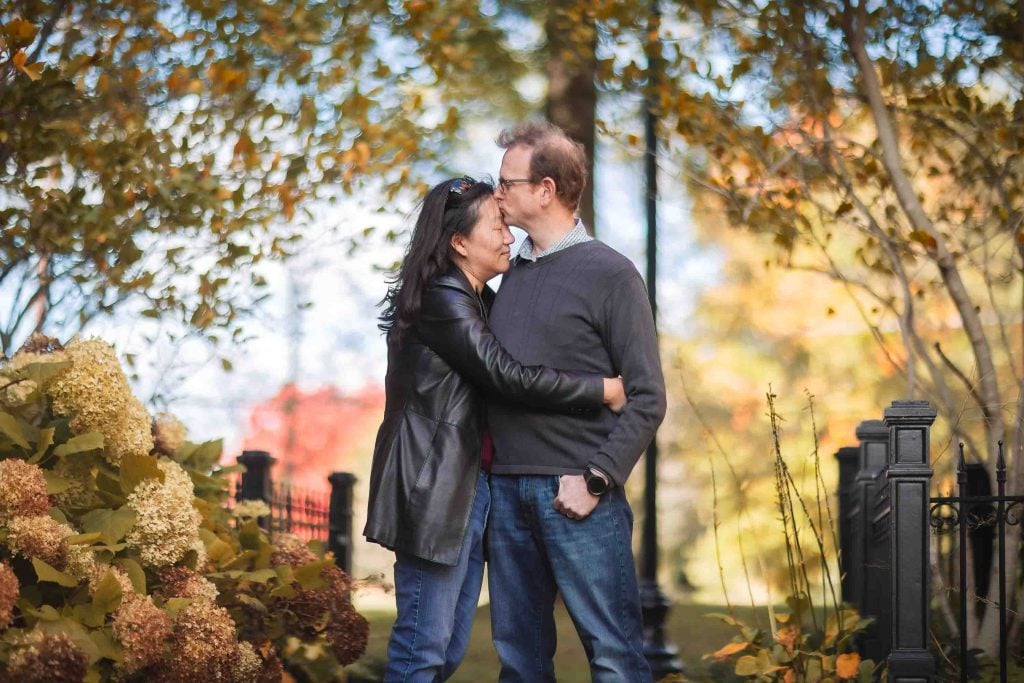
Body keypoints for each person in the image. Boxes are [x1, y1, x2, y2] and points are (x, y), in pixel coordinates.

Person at [364, 176, 627, 682]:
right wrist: (601, 390)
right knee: (423, 650)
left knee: (445, 649)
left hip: (467, 489)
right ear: (459, 242)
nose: (510, 237)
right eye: (497, 227)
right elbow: (506, 375)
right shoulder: (444, 299)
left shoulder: (478, 299)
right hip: (433, 488)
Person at [486, 121, 667, 682]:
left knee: (614, 659)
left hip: (578, 495)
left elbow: (648, 398)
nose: (497, 195)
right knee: (519, 665)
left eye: (506, 183)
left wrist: (595, 479)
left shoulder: (610, 274)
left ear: (545, 190)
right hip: (505, 496)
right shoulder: (506, 277)